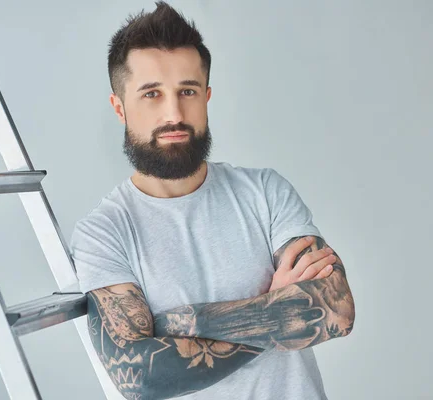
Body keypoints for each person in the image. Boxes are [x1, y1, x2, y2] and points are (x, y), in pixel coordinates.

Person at [69, 2, 355, 399]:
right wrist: (274, 308)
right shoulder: (103, 233)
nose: (174, 113)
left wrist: (172, 326)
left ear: (206, 96)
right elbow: (141, 376)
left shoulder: (265, 192)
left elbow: (335, 312)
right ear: (120, 107)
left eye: (187, 91)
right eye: (151, 94)